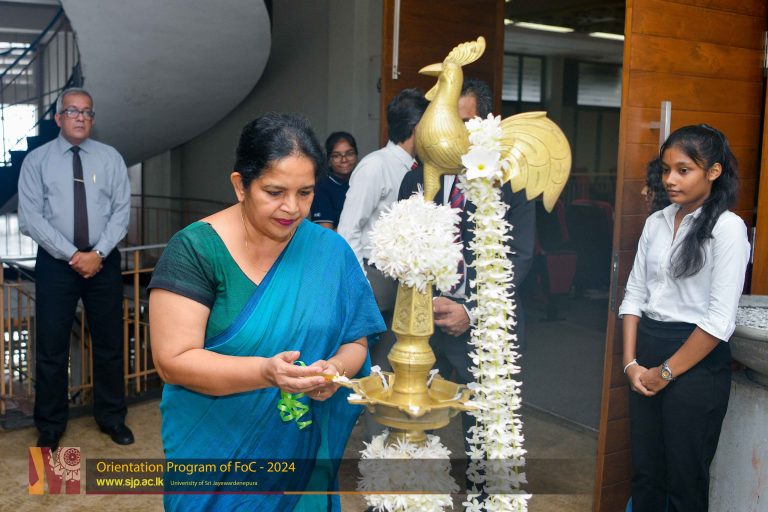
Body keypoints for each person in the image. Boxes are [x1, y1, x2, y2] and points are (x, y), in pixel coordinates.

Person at [148, 113, 384, 512]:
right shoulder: (196, 251)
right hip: (215, 457)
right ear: (241, 185)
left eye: (305, 193)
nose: (292, 208)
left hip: (299, 455)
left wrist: (334, 370)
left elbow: (355, 341)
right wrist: (265, 373)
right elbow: (173, 361)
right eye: (275, 192)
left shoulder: (330, 251)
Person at [619, 124, 750, 511]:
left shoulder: (728, 229)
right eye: (666, 170)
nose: (670, 180)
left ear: (713, 172)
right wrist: (630, 364)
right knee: (646, 474)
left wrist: (664, 373)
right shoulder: (656, 222)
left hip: (696, 362)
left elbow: (718, 320)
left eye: (683, 170)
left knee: (685, 481)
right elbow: (634, 295)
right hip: (647, 352)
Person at [397, 79, 535, 446]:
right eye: (446, 121)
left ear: (484, 124)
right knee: (413, 431)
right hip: (424, 327)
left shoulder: (509, 181)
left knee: (487, 439)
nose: (453, 133)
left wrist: (470, 312)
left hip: (487, 329)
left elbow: (518, 256)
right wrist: (428, 302)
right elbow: (403, 251)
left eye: (464, 123)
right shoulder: (415, 179)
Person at [17, 87, 133, 450]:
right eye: (72, 111)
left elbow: (121, 212)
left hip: (103, 262)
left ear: (92, 119)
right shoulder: (36, 161)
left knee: (110, 344)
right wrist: (72, 255)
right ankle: (50, 425)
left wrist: (97, 252)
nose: (80, 117)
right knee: (51, 347)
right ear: (58, 118)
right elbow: (31, 218)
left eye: (87, 112)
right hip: (56, 265)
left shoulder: (110, 158)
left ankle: (112, 417)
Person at [337, 87, 427, 380]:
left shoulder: (421, 168)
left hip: (402, 279)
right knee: (369, 365)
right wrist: (360, 285)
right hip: (374, 278)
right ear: (417, 128)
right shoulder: (375, 166)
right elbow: (348, 228)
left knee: (391, 365)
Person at [310, 131, 358, 229]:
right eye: (337, 156)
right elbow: (326, 233)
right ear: (329, 160)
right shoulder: (322, 187)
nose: (344, 160)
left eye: (349, 154)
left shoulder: (362, 181)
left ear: (356, 155)